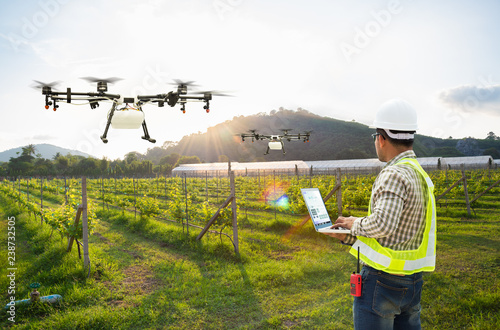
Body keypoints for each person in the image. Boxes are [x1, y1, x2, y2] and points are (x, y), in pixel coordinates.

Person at [324, 98, 436, 330]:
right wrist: (348, 237)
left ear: (382, 138)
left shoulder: (393, 173)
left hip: (383, 284)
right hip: (413, 282)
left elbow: (383, 225)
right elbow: (396, 238)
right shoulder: (419, 174)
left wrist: (354, 223)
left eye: (375, 137)